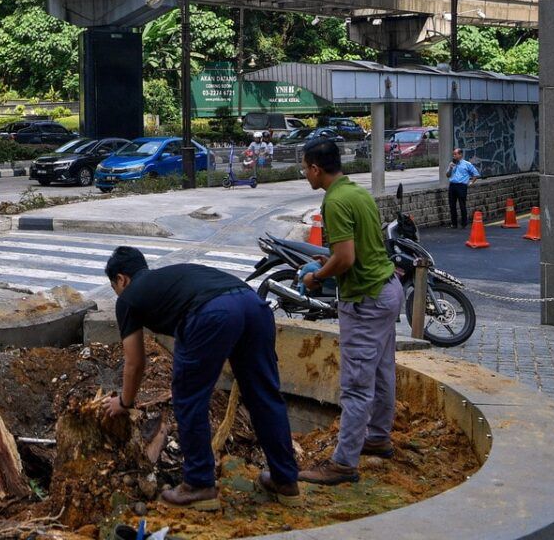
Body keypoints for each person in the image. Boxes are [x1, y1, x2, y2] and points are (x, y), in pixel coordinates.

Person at [103, 247, 300, 510]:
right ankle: (286, 481)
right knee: (264, 395)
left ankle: (199, 484)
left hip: (212, 313)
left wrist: (125, 402)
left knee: (188, 398)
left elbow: (135, 362)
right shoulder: (173, 277)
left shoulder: (127, 299)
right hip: (253, 305)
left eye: (115, 286)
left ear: (121, 279)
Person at [297, 137, 403, 485]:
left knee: (357, 385)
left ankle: (343, 463)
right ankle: (377, 437)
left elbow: (346, 258)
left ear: (315, 168)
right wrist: (330, 261)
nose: (304, 174)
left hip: (366, 300)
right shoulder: (357, 193)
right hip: (388, 290)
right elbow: (361, 248)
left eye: (305, 167)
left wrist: (317, 276)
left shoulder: (335, 201)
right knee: (382, 371)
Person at [446, 148, 480, 229]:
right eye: (453, 154)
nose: (454, 156)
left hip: (462, 186)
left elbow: (475, 174)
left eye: (455, 154)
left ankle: (464, 223)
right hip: (452, 185)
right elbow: (447, 175)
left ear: (460, 155)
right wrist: (450, 168)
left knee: (462, 205)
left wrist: (471, 182)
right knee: (452, 205)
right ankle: (454, 224)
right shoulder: (451, 164)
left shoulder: (467, 164)